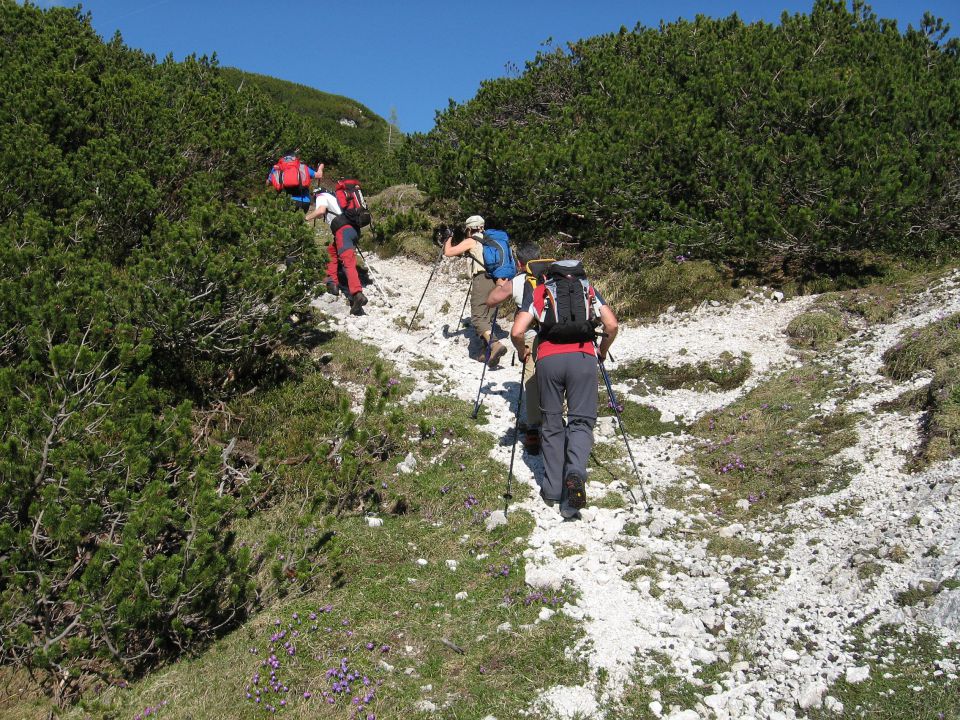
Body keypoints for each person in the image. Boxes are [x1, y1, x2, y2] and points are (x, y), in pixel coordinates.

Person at [510, 260, 618, 518]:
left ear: (549, 275)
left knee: (552, 421)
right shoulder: (588, 289)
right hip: (583, 357)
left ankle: (552, 489)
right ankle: (575, 473)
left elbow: (517, 331)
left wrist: (523, 350)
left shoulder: (539, 292)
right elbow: (611, 326)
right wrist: (602, 352)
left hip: (549, 360)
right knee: (581, 421)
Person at [485, 242, 547, 454]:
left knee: (531, 380)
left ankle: (533, 429)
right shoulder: (553, 276)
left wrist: (501, 284)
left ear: (519, 262)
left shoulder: (519, 280)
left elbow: (491, 301)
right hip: (555, 335)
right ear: (540, 257)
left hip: (529, 334)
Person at [442, 215, 508, 366]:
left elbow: (449, 252)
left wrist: (448, 237)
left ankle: (495, 345)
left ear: (470, 228)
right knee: (488, 317)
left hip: (482, 279)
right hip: (497, 280)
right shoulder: (492, 240)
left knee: (478, 318)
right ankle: (486, 353)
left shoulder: (472, 240)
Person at [305, 182, 368, 315]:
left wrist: (306, 218)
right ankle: (332, 282)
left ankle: (357, 295)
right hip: (353, 230)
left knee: (348, 262)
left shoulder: (321, 196)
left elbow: (321, 211)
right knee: (332, 252)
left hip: (342, 231)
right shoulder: (336, 197)